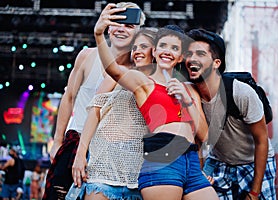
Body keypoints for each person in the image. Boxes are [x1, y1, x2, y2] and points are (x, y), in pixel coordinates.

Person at [94, 6, 219, 199]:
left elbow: (204, 135)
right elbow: (113, 69)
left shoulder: (189, 89)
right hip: (163, 159)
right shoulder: (143, 81)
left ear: (180, 57)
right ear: (155, 50)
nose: (167, 52)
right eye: (163, 46)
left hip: (191, 162)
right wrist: (99, 34)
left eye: (174, 48)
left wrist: (187, 101)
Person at [43, 2, 144, 199]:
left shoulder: (139, 67)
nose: (122, 29)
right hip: (76, 143)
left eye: (130, 25)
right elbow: (69, 97)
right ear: (108, 25)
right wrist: (57, 141)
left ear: (139, 31)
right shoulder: (87, 55)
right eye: (116, 22)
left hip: (111, 153)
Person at [184, 28, 276, 200]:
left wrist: (255, 192)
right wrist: (202, 173)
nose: (192, 59)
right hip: (220, 161)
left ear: (216, 63)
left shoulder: (240, 92)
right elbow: (197, 140)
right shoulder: (190, 94)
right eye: (189, 54)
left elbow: (262, 140)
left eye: (200, 54)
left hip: (253, 162)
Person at [72, 26, 156, 200]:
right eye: (135, 47)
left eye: (143, 47)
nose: (137, 51)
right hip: (103, 167)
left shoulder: (162, 83)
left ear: (155, 51)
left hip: (139, 174)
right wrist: (80, 154)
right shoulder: (117, 74)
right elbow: (95, 110)